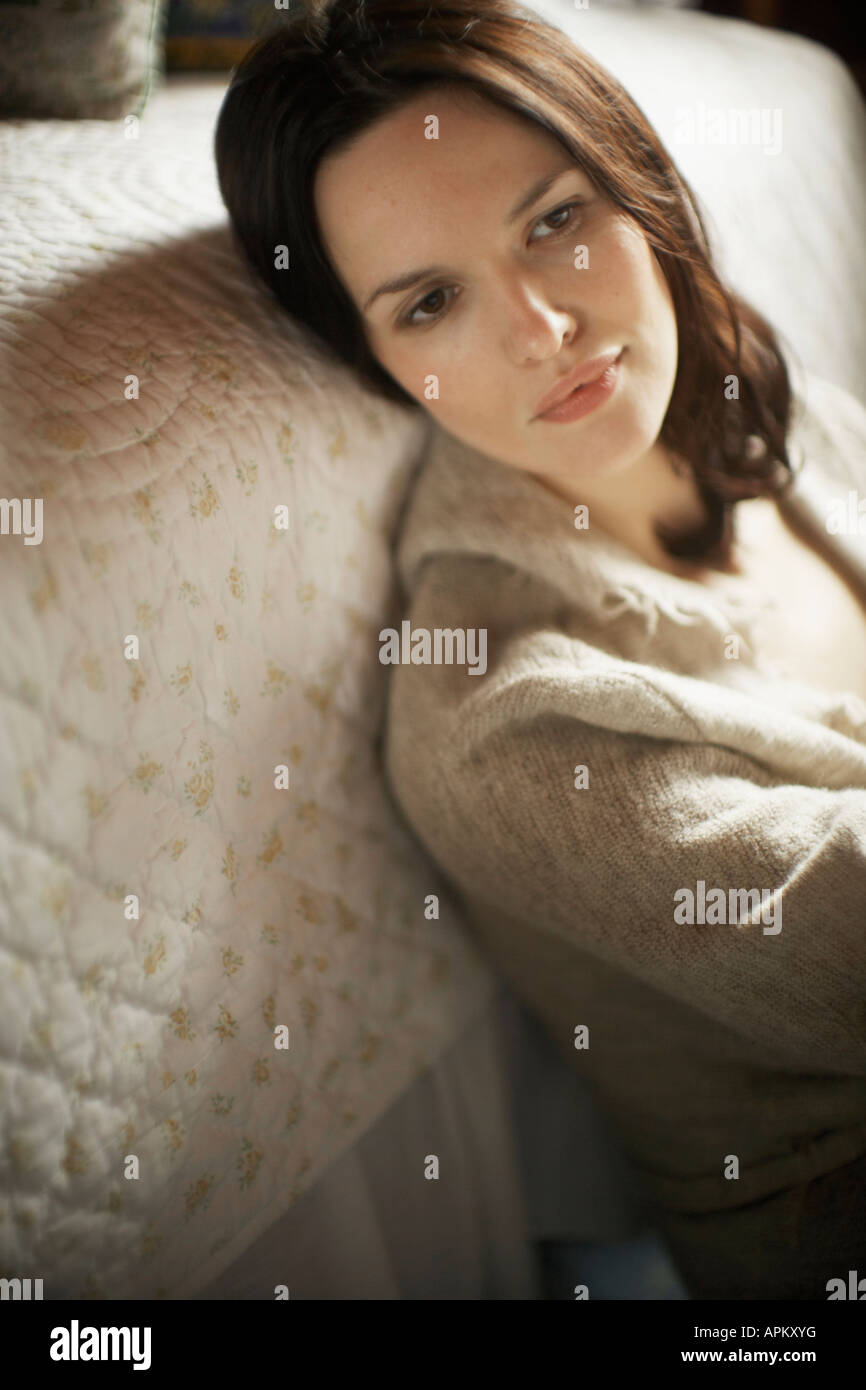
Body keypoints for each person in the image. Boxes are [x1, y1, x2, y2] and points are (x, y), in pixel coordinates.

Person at [215, 0, 866, 1299]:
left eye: (555, 220)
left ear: (645, 188)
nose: (538, 330)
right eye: (431, 301)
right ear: (378, 364)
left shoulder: (773, 412)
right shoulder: (506, 724)